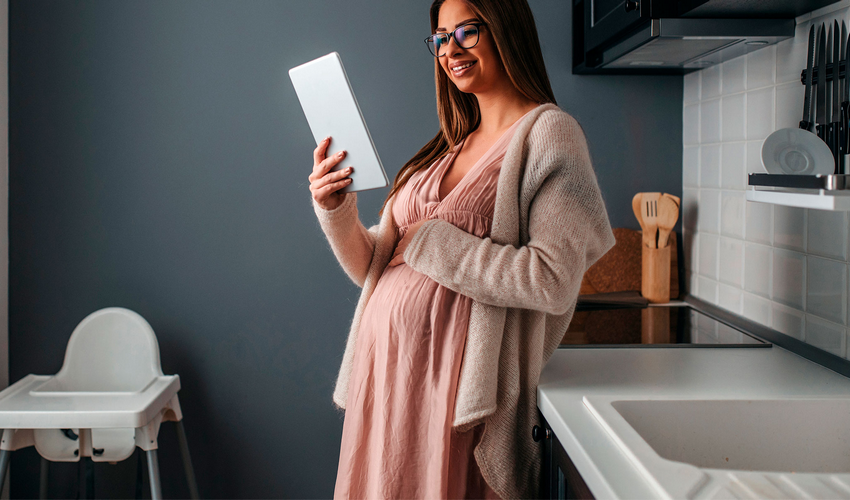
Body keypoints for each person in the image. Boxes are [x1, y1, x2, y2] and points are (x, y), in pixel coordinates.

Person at [308, 0, 615, 497]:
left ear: (506, 30)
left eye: (467, 32)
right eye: (440, 37)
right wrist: (336, 209)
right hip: (387, 381)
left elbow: (553, 279)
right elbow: (375, 265)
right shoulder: (447, 146)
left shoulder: (548, 132)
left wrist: (433, 242)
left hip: (452, 396)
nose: (450, 50)